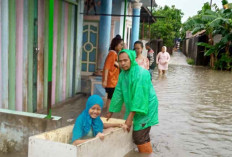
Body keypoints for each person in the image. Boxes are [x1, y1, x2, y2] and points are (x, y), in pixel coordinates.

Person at [106, 49, 159, 154]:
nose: (122, 63)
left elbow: (139, 98)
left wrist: (129, 119)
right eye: (120, 61)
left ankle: (146, 154)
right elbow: (118, 93)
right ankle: (148, 151)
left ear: (131, 60)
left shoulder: (141, 73)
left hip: (146, 106)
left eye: (125, 60)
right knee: (141, 135)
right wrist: (110, 110)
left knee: (138, 136)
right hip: (135, 104)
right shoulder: (123, 74)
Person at [102, 35, 123, 112]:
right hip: (111, 80)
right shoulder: (112, 54)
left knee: (110, 97)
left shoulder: (114, 54)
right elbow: (107, 67)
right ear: (116, 44)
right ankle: (108, 112)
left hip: (112, 80)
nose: (121, 46)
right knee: (111, 97)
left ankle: (107, 111)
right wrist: (105, 80)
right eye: (120, 44)